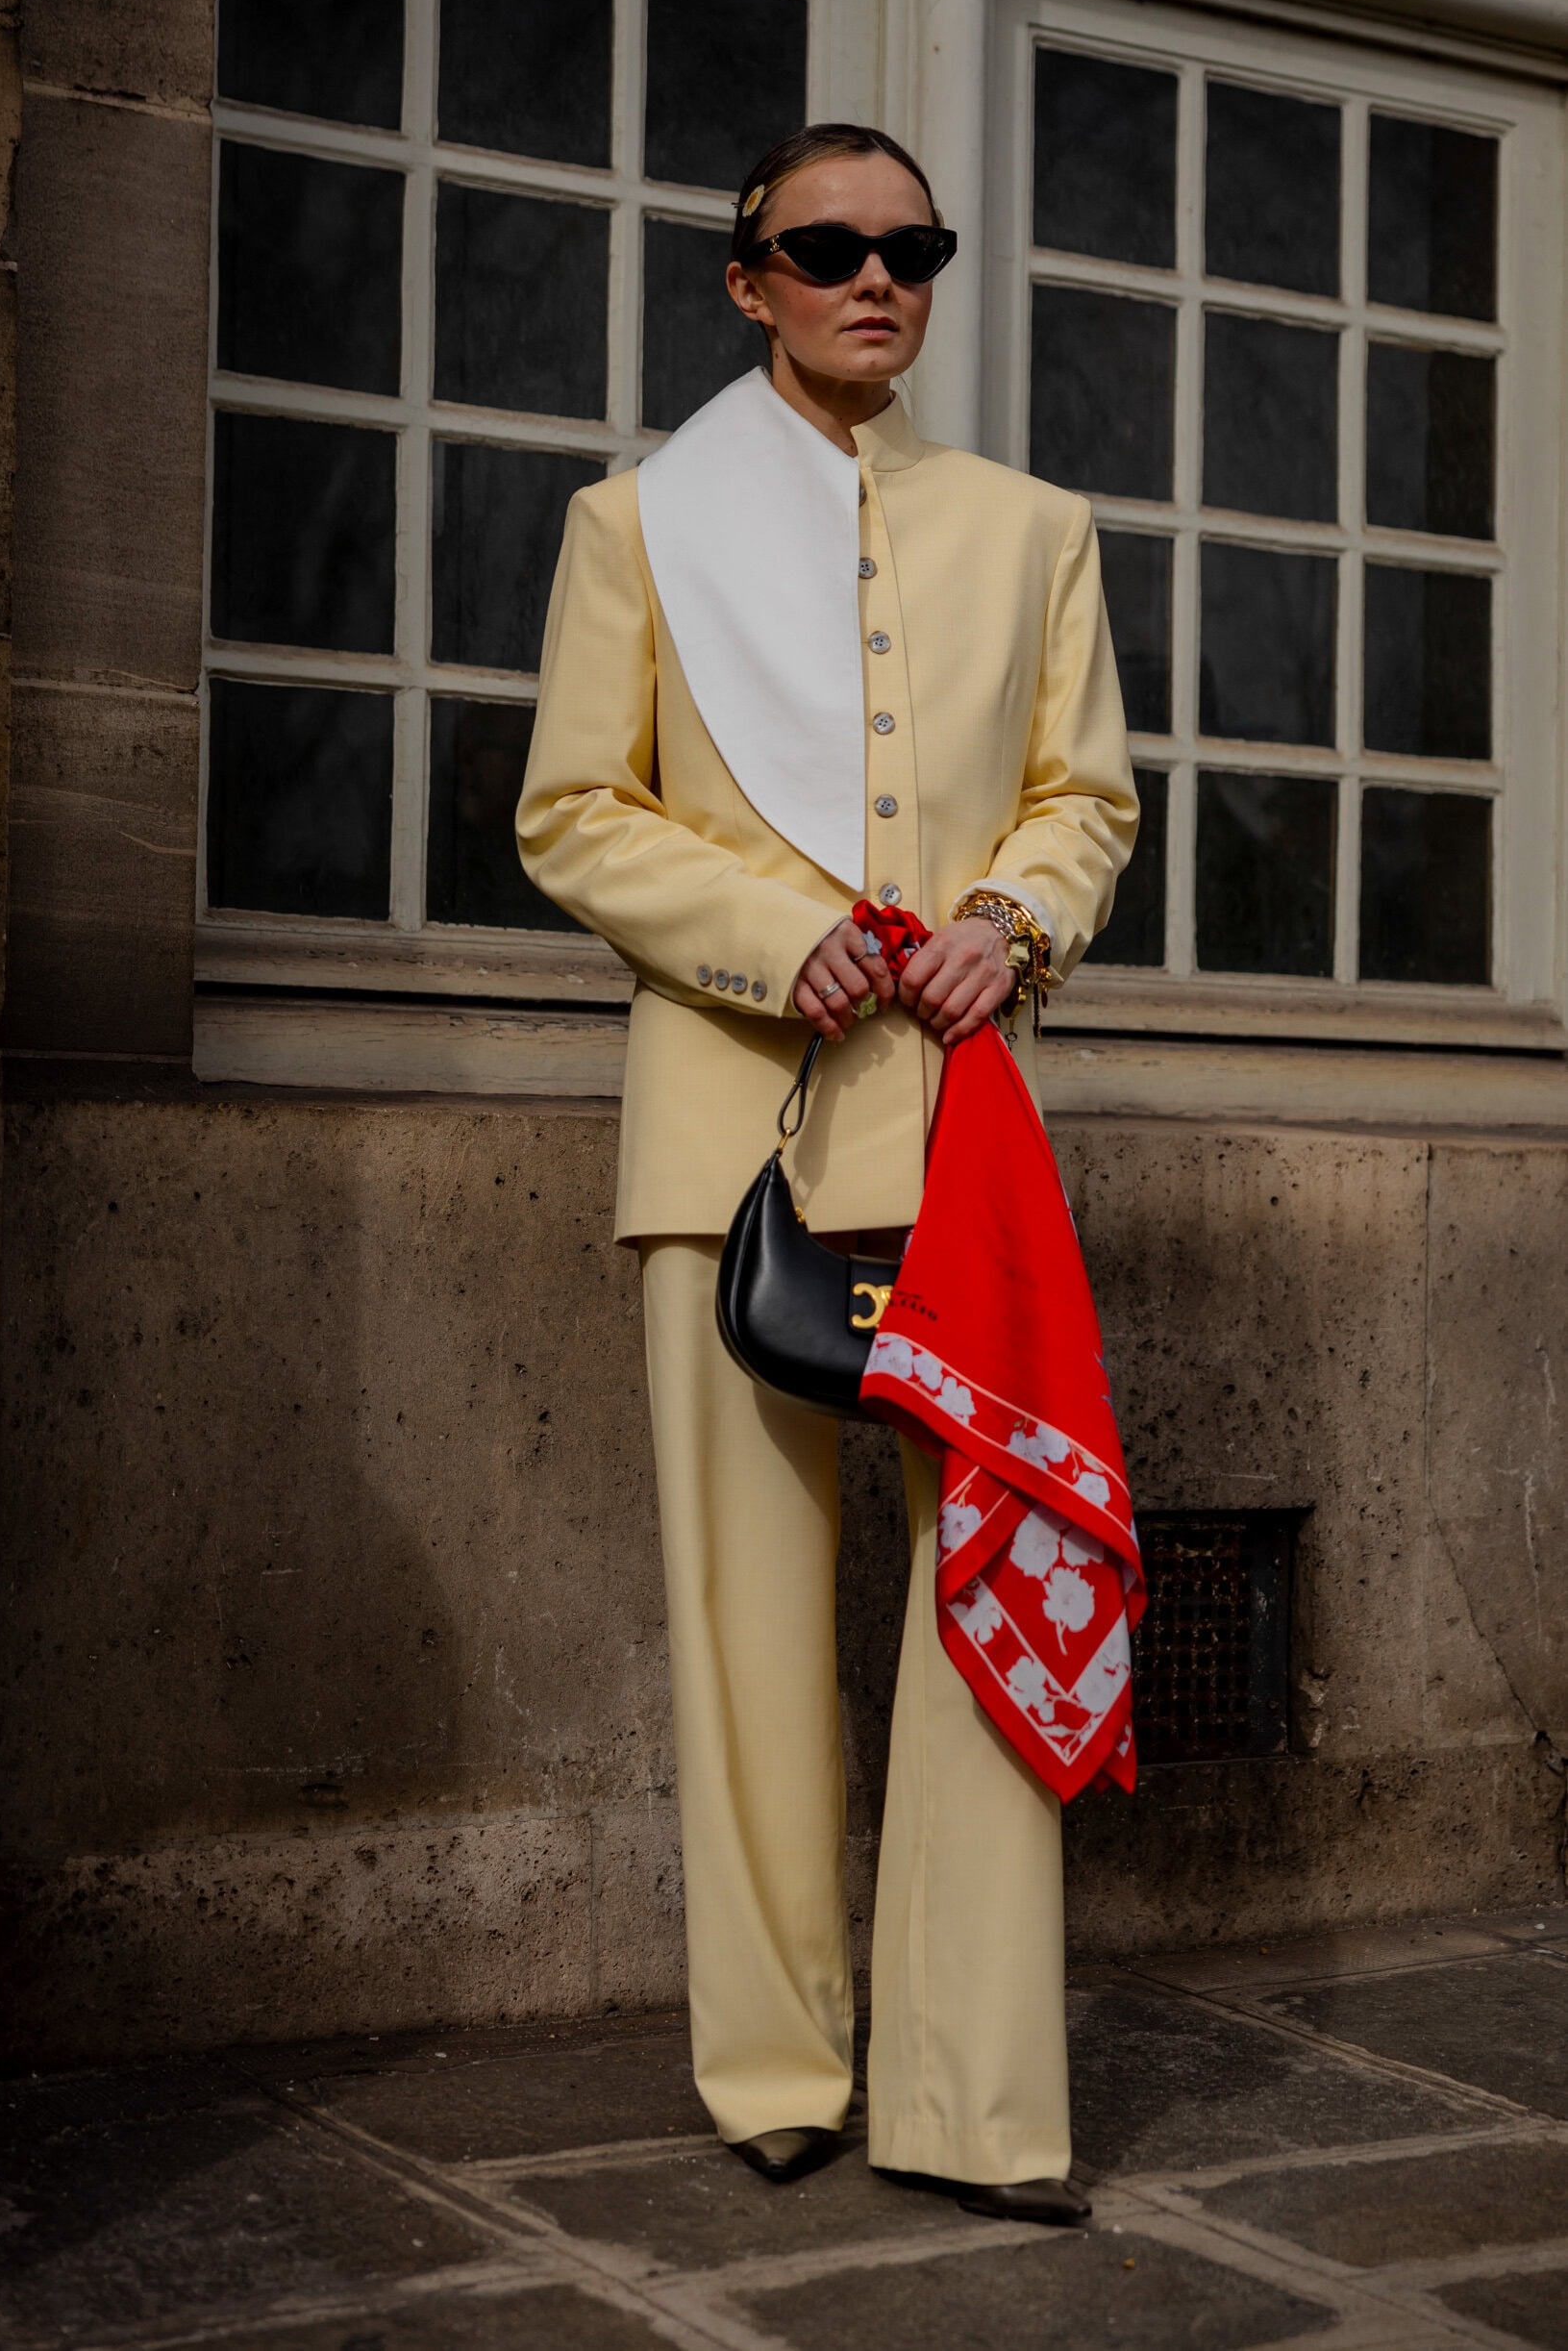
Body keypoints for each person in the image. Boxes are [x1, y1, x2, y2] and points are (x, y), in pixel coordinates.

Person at [517, 123, 1136, 2223]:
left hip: (962, 1138)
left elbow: (1085, 798)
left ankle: (975, 2096)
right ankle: (780, 2067)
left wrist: (1014, 920)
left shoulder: (1038, 530)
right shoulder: (635, 524)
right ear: (748, 278)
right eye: (828, 246)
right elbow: (572, 808)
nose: (877, 276)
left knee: (988, 1588)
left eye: (912, 246)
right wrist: (770, 933)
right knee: (749, 1626)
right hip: (730, 1137)